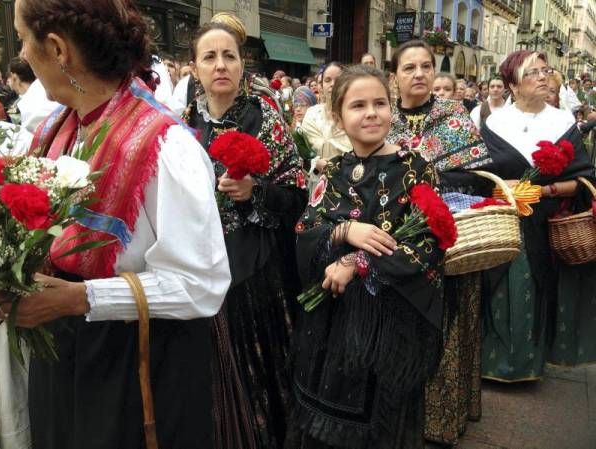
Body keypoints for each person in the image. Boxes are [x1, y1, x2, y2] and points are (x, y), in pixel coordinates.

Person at [8, 2, 231, 449]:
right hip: (65, 352)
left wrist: (80, 298)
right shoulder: (56, 129)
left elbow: (202, 284)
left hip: (133, 363)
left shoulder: (165, 145)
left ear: (56, 49)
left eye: (22, 39)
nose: (22, 53)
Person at [286, 64, 444, 449]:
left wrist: (357, 263)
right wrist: (344, 231)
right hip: (334, 319)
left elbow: (428, 242)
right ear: (338, 116)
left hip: (389, 319)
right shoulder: (333, 172)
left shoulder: (415, 168)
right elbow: (305, 232)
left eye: (379, 103)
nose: (371, 112)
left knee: (380, 418)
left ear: (392, 109)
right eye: (358, 105)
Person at [186, 21, 307, 449]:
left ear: (242, 65)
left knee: (258, 361)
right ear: (194, 68)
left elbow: (297, 190)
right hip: (196, 259)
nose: (221, 65)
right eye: (210, 57)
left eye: (229, 56)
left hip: (252, 264)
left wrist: (255, 191)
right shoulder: (184, 123)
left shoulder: (265, 118)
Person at [386, 39, 491, 448]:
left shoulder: (453, 116)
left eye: (425, 66)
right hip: (399, 239)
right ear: (395, 76)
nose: (418, 74)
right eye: (408, 67)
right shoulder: (386, 119)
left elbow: (476, 177)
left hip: (447, 239)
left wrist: (431, 188)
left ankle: (443, 417)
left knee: (447, 322)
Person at [480, 50, 595, 382]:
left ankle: (527, 365)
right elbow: (476, 175)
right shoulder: (494, 123)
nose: (544, 77)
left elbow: (585, 180)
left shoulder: (562, 123)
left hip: (543, 226)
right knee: (499, 290)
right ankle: (493, 363)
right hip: (501, 221)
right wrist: (501, 190)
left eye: (546, 70)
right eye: (533, 72)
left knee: (532, 288)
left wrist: (544, 191)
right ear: (513, 85)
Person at [300, 62, 352, 182]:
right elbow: (303, 152)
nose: (333, 84)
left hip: (348, 181)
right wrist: (315, 162)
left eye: (338, 80)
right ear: (321, 85)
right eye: (328, 80)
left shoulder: (354, 115)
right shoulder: (311, 114)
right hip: (317, 181)